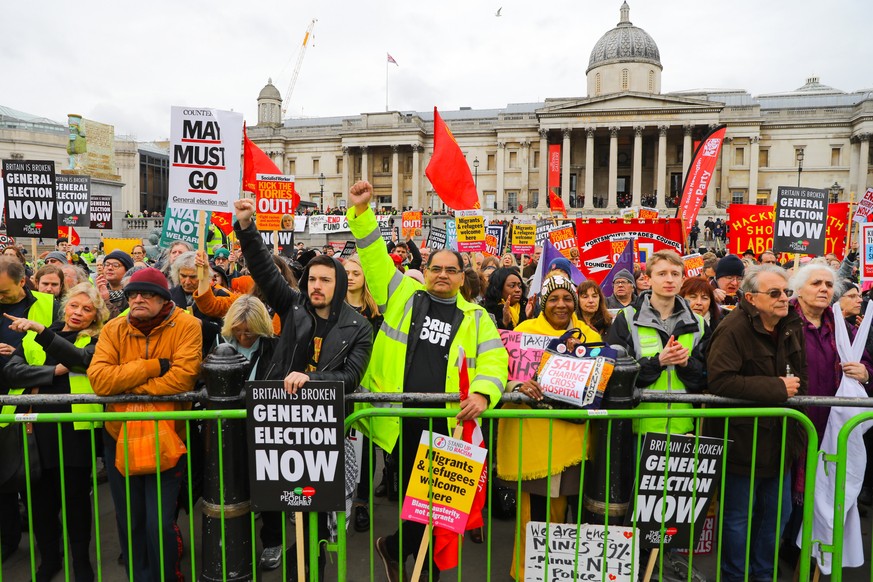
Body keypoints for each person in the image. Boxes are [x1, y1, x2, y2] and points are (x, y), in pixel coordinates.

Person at [346, 180, 507, 582]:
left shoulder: (477, 317)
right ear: (427, 271)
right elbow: (374, 257)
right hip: (404, 419)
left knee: (439, 509)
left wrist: (486, 395)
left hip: (449, 422)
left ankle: (401, 553)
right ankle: (414, 565)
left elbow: (495, 361)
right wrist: (363, 212)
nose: (442, 275)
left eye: (451, 270)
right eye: (436, 268)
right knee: (417, 504)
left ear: (460, 278)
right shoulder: (402, 293)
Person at [234, 196, 373, 577]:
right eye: (312, 278)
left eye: (325, 280)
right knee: (278, 499)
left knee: (316, 515)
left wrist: (311, 380)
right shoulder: (293, 307)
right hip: (280, 424)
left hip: (324, 431)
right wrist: (247, 225)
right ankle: (278, 547)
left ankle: (310, 567)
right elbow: (264, 269)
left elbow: (350, 379)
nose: (316, 285)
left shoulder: (359, 327)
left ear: (339, 284)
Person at [88, 268, 202, 581]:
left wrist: (125, 386)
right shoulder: (114, 328)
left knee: (160, 522)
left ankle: (166, 575)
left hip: (167, 434)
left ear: (164, 299)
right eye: (132, 295)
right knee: (130, 520)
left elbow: (182, 378)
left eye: (147, 294)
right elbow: (99, 380)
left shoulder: (188, 325)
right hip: (119, 434)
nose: (137, 299)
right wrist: (152, 367)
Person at [706, 265, 807, 581]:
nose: (783, 299)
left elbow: (797, 374)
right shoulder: (733, 328)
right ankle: (734, 575)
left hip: (781, 440)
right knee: (738, 517)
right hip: (745, 442)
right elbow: (720, 381)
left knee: (779, 515)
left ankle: (763, 573)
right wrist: (776, 387)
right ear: (750, 297)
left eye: (786, 292)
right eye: (775, 293)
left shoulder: (790, 324)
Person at [496, 275, 599, 580]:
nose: (561, 305)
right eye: (553, 298)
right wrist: (518, 385)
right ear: (543, 303)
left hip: (576, 443)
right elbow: (501, 372)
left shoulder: (590, 337)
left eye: (567, 298)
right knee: (536, 522)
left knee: (574, 521)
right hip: (535, 444)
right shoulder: (524, 333)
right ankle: (529, 575)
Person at [3, 283, 108, 581]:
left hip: (74, 431)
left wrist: (54, 347)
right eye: (74, 306)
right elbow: (12, 371)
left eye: (87, 309)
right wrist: (54, 372)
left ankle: (80, 562)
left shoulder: (99, 338)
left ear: (95, 316)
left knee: (75, 499)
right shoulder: (39, 335)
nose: (78, 313)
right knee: (39, 501)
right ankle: (50, 559)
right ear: (65, 307)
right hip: (33, 428)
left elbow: (83, 360)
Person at [607, 250, 707, 436]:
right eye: (662, 274)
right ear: (648, 279)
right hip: (639, 431)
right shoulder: (627, 319)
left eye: (675, 274)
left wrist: (685, 364)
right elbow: (616, 377)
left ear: (683, 279)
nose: (669, 280)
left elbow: (706, 376)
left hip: (684, 430)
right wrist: (658, 362)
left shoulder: (698, 324)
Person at [0, 256, 56, 561]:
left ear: (23, 282)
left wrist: (17, 356)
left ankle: (48, 549)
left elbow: (60, 345)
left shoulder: (49, 304)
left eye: (4, 293)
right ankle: (8, 541)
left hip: (30, 405)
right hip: (3, 406)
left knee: (35, 482)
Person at [170, 251, 229, 355]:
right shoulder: (169, 296)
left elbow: (227, 331)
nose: (187, 281)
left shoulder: (219, 296)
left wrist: (200, 324)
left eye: (193, 277)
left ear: (204, 275)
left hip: (209, 356)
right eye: (183, 276)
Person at [96, 250, 134, 318]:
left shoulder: (132, 295)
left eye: (116, 265)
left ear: (127, 270)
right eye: (107, 264)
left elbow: (121, 323)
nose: (110, 268)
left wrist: (106, 301)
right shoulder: (99, 290)